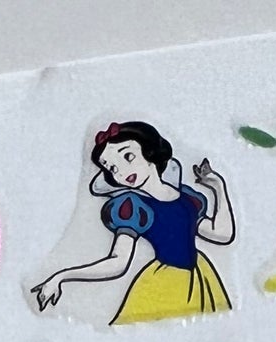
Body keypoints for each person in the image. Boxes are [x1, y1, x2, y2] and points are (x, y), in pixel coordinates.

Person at [35, 120, 233, 322]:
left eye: (128, 156)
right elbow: (118, 262)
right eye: (112, 168)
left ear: (149, 151)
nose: (121, 172)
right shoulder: (133, 208)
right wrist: (61, 276)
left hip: (201, 278)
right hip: (164, 284)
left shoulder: (188, 199)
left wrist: (218, 187)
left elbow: (222, 234)